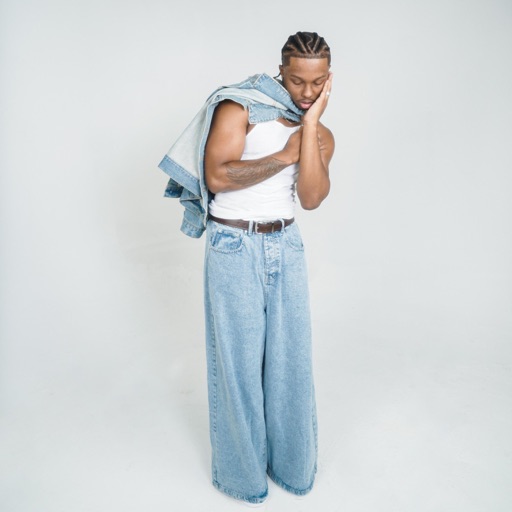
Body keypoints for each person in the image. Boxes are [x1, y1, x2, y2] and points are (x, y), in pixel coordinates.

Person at [158, 31, 334, 506]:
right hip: (233, 244)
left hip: (286, 244)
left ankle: (293, 471)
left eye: (317, 83)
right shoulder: (238, 107)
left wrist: (310, 128)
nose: (306, 92)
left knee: (291, 363)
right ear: (281, 71)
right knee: (237, 367)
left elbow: (312, 198)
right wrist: (284, 154)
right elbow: (217, 175)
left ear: (329, 80)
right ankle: (242, 480)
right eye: (297, 81)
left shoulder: (319, 132)